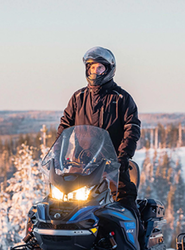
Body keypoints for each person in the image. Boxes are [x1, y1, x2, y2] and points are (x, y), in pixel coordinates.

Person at [58, 46, 142, 237]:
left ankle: (135, 249)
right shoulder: (78, 97)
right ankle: (40, 244)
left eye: (100, 68)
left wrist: (123, 157)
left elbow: (132, 128)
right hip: (80, 163)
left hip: (111, 165)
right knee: (58, 200)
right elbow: (65, 125)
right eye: (91, 68)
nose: (95, 72)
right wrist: (58, 153)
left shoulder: (121, 98)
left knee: (125, 201)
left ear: (109, 69)